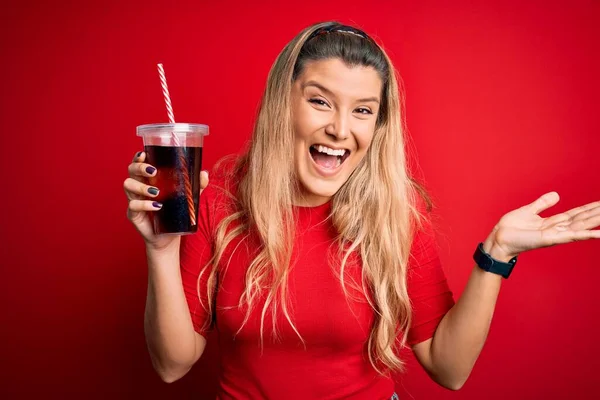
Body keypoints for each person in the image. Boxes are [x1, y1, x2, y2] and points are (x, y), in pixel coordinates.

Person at [124, 21, 600, 400]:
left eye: (362, 110)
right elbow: (172, 365)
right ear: (281, 105)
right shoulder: (220, 199)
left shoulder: (397, 211)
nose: (339, 128)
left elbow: (449, 369)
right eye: (319, 102)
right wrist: (162, 251)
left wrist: (496, 254)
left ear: (378, 124)